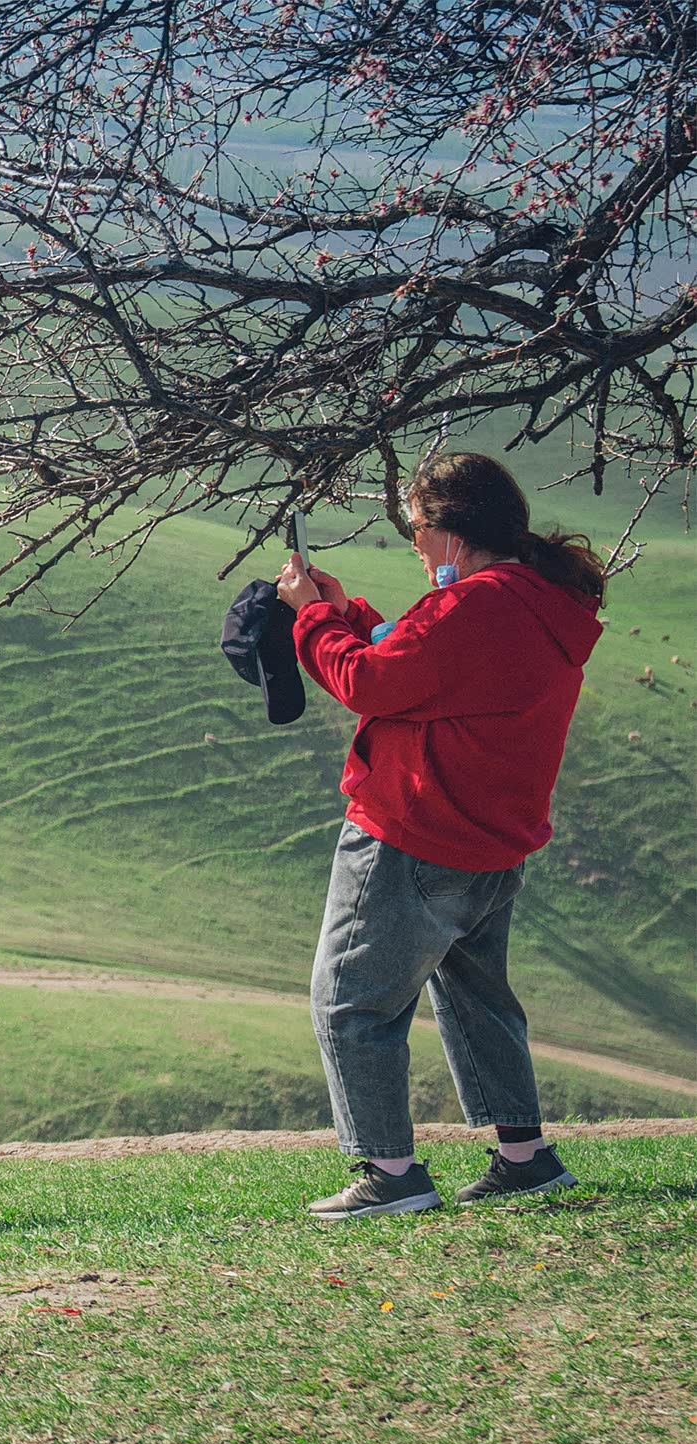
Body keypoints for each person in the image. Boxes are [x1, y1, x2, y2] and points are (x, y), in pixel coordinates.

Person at [275, 453, 606, 1218]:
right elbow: (420, 666)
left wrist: (310, 616)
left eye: (417, 527)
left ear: (453, 531)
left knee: (349, 1000)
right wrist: (346, 614)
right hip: (491, 840)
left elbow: (369, 683)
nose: (414, 544)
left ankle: (389, 1175)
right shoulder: (539, 602)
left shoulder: (470, 608)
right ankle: (523, 1158)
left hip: (413, 829)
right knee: (475, 997)